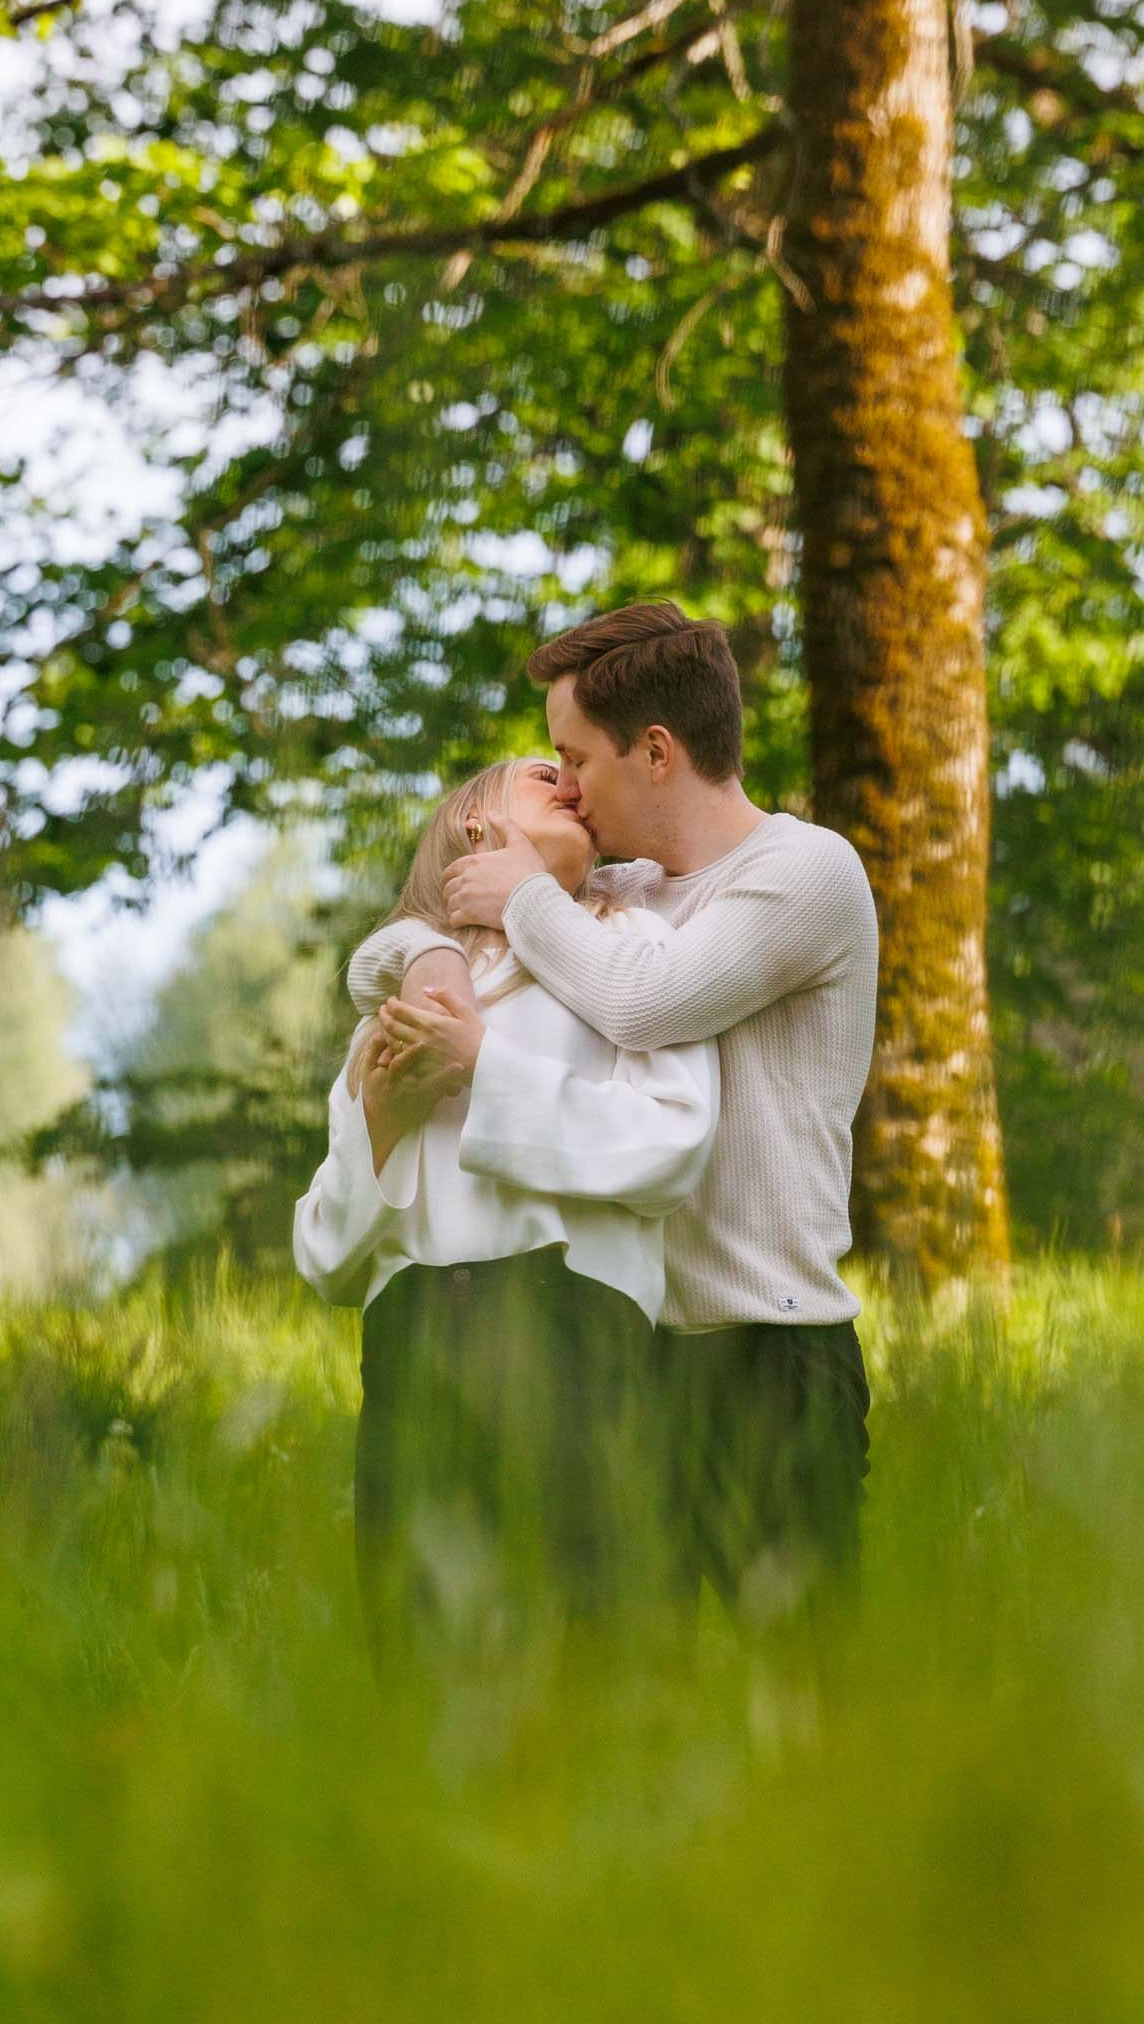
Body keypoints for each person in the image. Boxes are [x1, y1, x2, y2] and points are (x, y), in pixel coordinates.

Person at [358, 603, 878, 1626]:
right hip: (624, 1355)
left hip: (768, 1354)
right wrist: (422, 954)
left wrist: (522, 901)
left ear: (654, 751)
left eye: (574, 758)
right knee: (639, 1718)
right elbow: (399, 933)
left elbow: (648, 1002)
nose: (566, 788)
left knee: (798, 1714)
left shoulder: (803, 872)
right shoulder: (619, 894)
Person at [294, 752, 717, 1668]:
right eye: (539, 774)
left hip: (580, 1339)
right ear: (474, 828)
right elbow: (324, 1255)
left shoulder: (636, 951)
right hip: (413, 1356)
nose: (570, 779)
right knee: (428, 1671)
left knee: (587, 1657)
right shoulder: (391, 1014)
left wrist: (483, 1063)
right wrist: (387, 1118)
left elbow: (670, 1146)